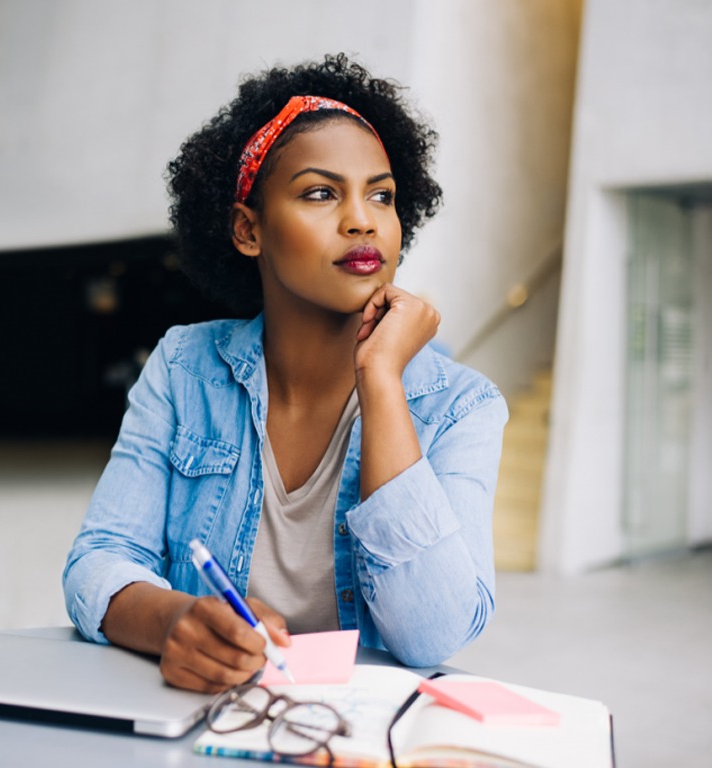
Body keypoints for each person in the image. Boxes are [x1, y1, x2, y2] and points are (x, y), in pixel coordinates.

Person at [62, 53, 508, 693]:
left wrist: (381, 381)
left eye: (380, 195)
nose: (362, 219)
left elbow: (431, 635)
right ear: (249, 230)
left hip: (359, 739)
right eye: (321, 193)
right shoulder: (185, 368)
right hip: (202, 723)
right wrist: (174, 621)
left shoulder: (463, 406)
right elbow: (99, 560)